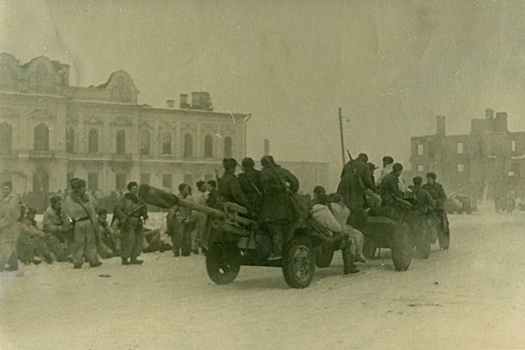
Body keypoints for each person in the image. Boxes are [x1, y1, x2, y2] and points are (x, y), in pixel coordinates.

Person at [259, 155, 299, 260]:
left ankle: (277, 251)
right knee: (284, 227)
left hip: (269, 204)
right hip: (284, 204)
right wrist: (291, 191)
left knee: (273, 228)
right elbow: (295, 182)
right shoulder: (282, 171)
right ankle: (282, 249)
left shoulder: (263, 174)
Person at [310, 192, 360, 274]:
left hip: (314, 238)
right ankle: (348, 267)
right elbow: (336, 227)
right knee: (346, 239)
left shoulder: (311, 210)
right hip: (324, 240)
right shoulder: (324, 211)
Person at [62, 178, 102, 269]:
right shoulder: (87, 197)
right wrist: (71, 223)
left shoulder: (70, 199)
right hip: (81, 222)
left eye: (83, 187)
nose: (82, 189)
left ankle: (87, 260)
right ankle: (83, 261)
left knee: (89, 242)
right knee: (80, 243)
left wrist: (70, 223)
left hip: (82, 222)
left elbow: (66, 214)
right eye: (80, 187)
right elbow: (96, 206)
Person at [337, 153, 376, 230]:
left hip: (343, 184)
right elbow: (367, 181)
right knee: (356, 206)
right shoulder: (365, 166)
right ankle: (355, 226)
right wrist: (374, 189)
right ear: (365, 160)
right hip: (355, 185)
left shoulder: (348, 164)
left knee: (343, 204)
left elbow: (342, 176)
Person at [114, 182, 147, 265]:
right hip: (128, 221)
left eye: (136, 188)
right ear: (130, 189)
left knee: (138, 240)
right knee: (128, 239)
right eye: (133, 188)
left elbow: (143, 208)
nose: (135, 190)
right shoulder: (125, 198)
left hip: (138, 220)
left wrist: (144, 214)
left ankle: (134, 257)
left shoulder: (139, 199)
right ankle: (124, 257)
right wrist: (124, 218)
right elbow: (118, 209)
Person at [328, 193, 367, 263]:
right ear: (341, 200)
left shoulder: (331, 206)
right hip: (344, 226)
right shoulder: (346, 209)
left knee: (351, 239)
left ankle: (354, 255)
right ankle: (358, 254)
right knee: (359, 235)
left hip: (335, 227)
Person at [0, 181, 22, 272]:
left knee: (7, 245)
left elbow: (11, 214)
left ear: (11, 189)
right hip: (5, 224)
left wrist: (1, 224)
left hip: (11, 226)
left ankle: (0, 265)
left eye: (7, 189)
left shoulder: (13, 198)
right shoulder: (3, 198)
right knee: (10, 245)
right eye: (4, 189)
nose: (5, 191)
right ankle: (13, 265)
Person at [167, 183, 193, 257]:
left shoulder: (189, 198)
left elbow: (191, 209)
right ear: (182, 190)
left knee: (187, 235)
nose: (188, 190)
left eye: (188, 189)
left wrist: (189, 217)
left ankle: (186, 251)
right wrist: (180, 218)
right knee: (177, 236)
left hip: (187, 218)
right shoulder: (177, 198)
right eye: (186, 189)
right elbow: (173, 209)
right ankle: (176, 250)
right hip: (178, 219)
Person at [42, 195, 70, 262]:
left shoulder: (63, 211)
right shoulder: (48, 213)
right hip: (53, 233)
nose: (60, 205)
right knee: (53, 241)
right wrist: (58, 228)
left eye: (61, 203)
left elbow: (69, 219)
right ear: (53, 204)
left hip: (63, 231)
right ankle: (60, 255)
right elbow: (46, 226)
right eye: (58, 203)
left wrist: (71, 223)